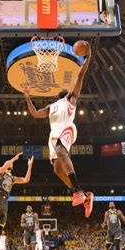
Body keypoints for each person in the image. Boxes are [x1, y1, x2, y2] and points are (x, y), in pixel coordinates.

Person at [23, 42, 94, 217]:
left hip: (67, 128)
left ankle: (77, 191)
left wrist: (88, 57)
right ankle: (85, 196)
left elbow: (80, 76)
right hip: (53, 134)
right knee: (56, 169)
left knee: (62, 151)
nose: (63, 89)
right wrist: (27, 97)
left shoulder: (70, 98)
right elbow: (35, 114)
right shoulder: (52, 106)